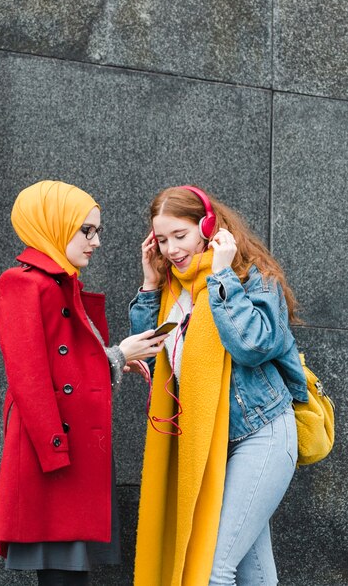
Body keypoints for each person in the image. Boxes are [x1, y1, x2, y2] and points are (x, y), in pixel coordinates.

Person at [129, 185, 309, 586]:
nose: (172, 249)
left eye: (181, 235)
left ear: (207, 227)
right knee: (254, 572)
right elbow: (146, 353)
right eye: (162, 239)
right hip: (210, 448)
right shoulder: (171, 289)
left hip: (260, 434)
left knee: (211, 570)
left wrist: (223, 276)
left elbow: (253, 346)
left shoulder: (251, 279)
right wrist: (147, 286)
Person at [0, 180, 168, 586]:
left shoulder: (61, 284)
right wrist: (118, 354)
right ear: (53, 225)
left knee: (70, 577)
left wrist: (110, 362)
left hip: (71, 454)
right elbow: (30, 379)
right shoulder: (22, 284)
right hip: (52, 455)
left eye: (97, 231)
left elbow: (67, 372)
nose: (96, 241)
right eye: (86, 230)